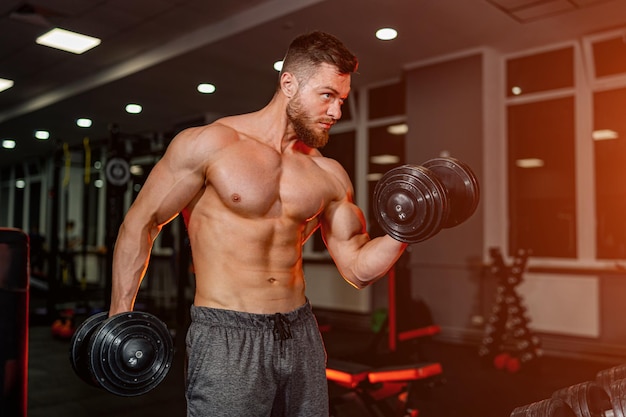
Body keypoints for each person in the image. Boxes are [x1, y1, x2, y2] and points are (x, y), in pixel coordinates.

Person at [108, 31, 407, 417]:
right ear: (288, 83)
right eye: (327, 96)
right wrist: (119, 318)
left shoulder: (328, 174)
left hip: (300, 333)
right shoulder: (211, 145)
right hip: (227, 335)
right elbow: (141, 223)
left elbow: (358, 268)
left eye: (342, 100)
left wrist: (407, 230)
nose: (337, 112)